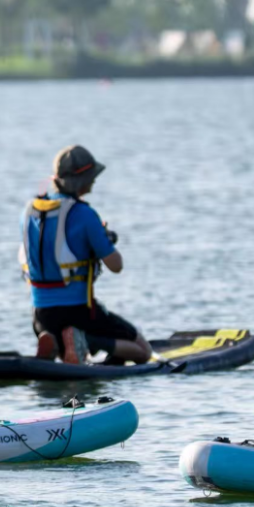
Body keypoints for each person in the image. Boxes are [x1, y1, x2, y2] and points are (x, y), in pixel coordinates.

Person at [20, 145, 152, 365]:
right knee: (143, 352)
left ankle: (57, 343)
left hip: (41, 313)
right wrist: (102, 239)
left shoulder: (29, 212)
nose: (95, 181)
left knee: (71, 353)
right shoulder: (84, 214)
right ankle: (85, 339)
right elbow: (116, 265)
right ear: (83, 179)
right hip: (79, 312)